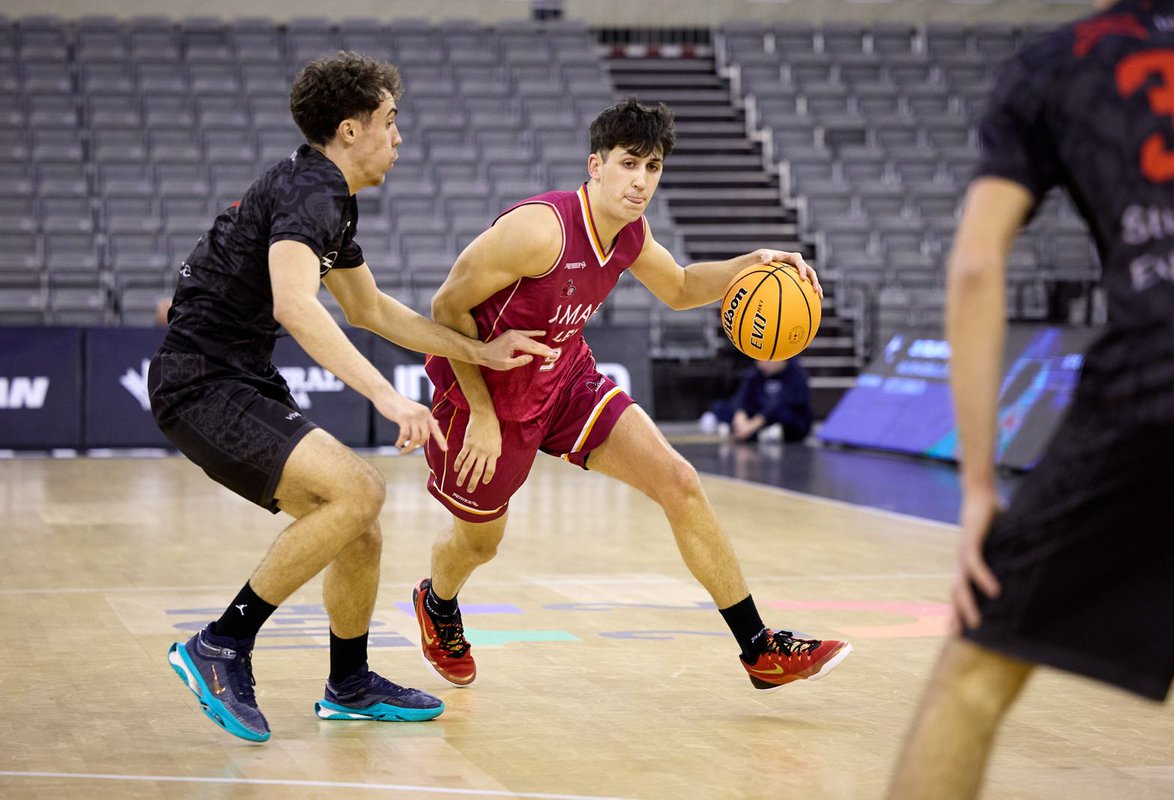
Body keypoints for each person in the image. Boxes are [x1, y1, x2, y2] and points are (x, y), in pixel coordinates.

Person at [148, 52, 553, 743]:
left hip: (235, 377)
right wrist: (389, 397)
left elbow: (370, 310)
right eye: (390, 121)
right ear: (349, 130)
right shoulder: (312, 196)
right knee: (359, 492)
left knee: (358, 526)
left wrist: (479, 351)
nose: (399, 136)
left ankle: (349, 683)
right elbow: (297, 307)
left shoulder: (327, 199)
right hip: (201, 383)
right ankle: (220, 645)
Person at [410, 98, 852, 692]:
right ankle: (437, 603)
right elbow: (445, 307)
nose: (641, 180)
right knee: (479, 542)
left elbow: (680, 287)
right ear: (595, 165)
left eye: (653, 167)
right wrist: (484, 414)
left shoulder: (630, 234)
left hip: (566, 378)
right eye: (629, 164)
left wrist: (757, 262)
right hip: (485, 392)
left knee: (680, 481)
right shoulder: (538, 231)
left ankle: (758, 648)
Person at [889, 1, 1174, 796]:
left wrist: (979, 488)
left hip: (1168, 371)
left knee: (974, 677)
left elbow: (974, 268)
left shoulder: (1058, 62)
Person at [700, 357, 814, 443]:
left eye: (768, 361)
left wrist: (751, 426)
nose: (763, 365)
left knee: (786, 415)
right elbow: (743, 394)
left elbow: (779, 404)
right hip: (758, 414)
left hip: (781, 417)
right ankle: (755, 432)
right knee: (721, 406)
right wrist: (740, 414)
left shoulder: (796, 373)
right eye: (759, 360)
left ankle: (748, 431)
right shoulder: (756, 372)